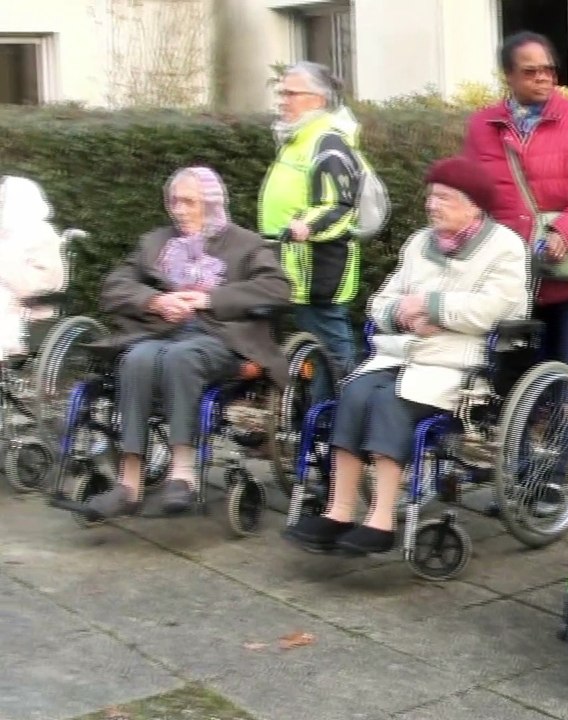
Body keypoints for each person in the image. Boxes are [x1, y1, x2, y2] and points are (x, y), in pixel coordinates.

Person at [283, 157, 529, 555]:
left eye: (444, 198)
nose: (432, 204)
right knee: (355, 392)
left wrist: (430, 306)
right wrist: (399, 313)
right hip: (401, 352)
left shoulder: (505, 247)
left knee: (390, 401)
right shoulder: (419, 242)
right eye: (430, 196)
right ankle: (339, 510)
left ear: (474, 206)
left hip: (459, 362)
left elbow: (493, 309)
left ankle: (381, 519)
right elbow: (382, 300)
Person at [82, 167, 290, 520]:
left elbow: (278, 289)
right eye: (174, 201)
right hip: (160, 334)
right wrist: (156, 301)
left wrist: (209, 300)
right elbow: (115, 285)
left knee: (182, 357)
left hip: (221, 338)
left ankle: (183, 472)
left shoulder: (246, 244)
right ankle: (129, 482)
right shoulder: (156, 242)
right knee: (135, 359)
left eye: (189, 202)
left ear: (210, 203)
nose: (179, 209)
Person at [462, 31, 568, 374]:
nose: (543, 78)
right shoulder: (483, 126)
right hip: (506, 272)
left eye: (549, 70)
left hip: (564, 270)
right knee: (507, 370)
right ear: (508, 75)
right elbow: (471, 193)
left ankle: (567, 427)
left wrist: (565, 232)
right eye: (530, 71)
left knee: (565, 371)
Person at [259, 61, 366, 378]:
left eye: (291, 93)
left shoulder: (327, 141)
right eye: (281, 93)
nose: (282, 100)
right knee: (317, 351)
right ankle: (316, 415)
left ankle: (345, 410)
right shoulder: (300, 137)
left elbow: (340, 203)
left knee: (332, 350)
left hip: (319, 266)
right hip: (294, 262)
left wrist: (307, 225)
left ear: (317, 99)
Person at [0, 176, 66, 359]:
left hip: (26, 300)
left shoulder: (42, 233)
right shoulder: (5, 230)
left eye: (3, 198)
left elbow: (47, 280)